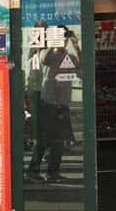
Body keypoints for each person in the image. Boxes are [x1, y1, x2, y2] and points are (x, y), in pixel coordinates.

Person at [27, 26, 81, 184]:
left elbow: (80, 64)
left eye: (64, 37)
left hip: (62, 104)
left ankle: (53, 172)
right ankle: (33, 171)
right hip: (48, 103)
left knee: (59, 141)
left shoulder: (68, 55)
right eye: (60, 37)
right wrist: (54, 41)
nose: (63, 40)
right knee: (43, 141)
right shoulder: (46, 53)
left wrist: (75, 44)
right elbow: (45, 59)